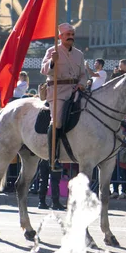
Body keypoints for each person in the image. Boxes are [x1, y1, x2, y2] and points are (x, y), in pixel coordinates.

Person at [40, 23, 87, 171]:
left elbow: (83, 74)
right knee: (57, 122)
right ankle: (53, 158)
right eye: (67, 34)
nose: (71, 37)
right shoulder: (52, 50)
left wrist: (82, 83)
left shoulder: (79, 54)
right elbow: (43, 70)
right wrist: (52, 61)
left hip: (75, 90)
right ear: (60, 37)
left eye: (72, 34)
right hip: (58, 90)